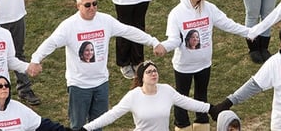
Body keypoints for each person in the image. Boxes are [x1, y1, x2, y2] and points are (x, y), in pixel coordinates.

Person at [28, 0, 165, 130]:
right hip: (79, 85)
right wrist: (35, 59)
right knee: (78, 126)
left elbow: (128, 31)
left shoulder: (105, 20)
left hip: (101, 83)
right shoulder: (69, 26)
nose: (92, 8)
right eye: (87, 5)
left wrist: (153, 41)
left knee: (98, 125)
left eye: (95, 3)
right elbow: (51, 42)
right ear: (78, 6)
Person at [159, 0, 249, 131]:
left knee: (202, 96)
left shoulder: (209, 9)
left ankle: (201, 124)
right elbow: (174, 40)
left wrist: (248, 32)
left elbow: (228, 24)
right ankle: (182, 125)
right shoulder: (176, 13)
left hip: (204, 64)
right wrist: (164, 47)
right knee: (182, 98)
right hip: (184, 66)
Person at [79, 60, 210, 131]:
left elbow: (188, 102)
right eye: (149, 72)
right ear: (142, 77)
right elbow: (112, 115)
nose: (153, 74)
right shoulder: (133, 96)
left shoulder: (166, 91)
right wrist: (87, 128)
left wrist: (210, 108)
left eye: (155, 71)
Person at [0, 75, 72, 131]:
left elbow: (43, 125)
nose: (4, 88)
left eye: (6, 85)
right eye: (0, 86)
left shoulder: (18, 108)